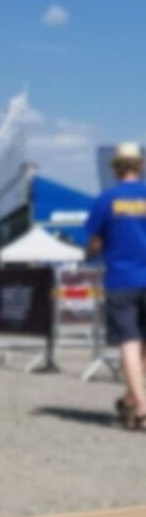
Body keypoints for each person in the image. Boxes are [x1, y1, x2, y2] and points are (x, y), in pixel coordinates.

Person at [86, 142, 146, 429]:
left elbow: (95, 242)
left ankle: (142, 405)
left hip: (122, 279)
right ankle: (131, 402)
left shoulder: (106, 199)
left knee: (129, 343)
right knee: (142, 347)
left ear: (115, 169)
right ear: (141, 165)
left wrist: (90, 252)